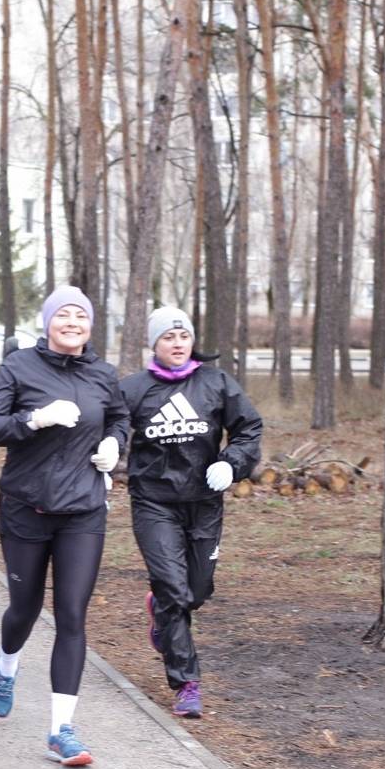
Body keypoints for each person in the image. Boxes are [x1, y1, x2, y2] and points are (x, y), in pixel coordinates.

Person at [0, 286, 129, 768]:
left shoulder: (104, 374)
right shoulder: (20, 366)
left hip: (83, 510)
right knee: (24, 608)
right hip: (26, 508)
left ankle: (61, 729)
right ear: (47, 323)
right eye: (62, 314)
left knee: (72, 615)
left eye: (80, 315)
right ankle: (6, 666)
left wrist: (114, 444)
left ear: (89, 326)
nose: (72, 321)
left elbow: (121, 417)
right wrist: (34, 419)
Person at [120, 306, 261, 719]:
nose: (177, 343)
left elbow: (249, 427)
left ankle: (160, 613)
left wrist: (231, 462)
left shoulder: (216, 383)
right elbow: (108, 424)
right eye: (168, 337)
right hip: (154, 503)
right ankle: (186, 683)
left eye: (183, 336)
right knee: (172, 588)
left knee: (195, 592)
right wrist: (107, 452)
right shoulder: (133, 389)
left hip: (203, 503)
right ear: (155, 343)